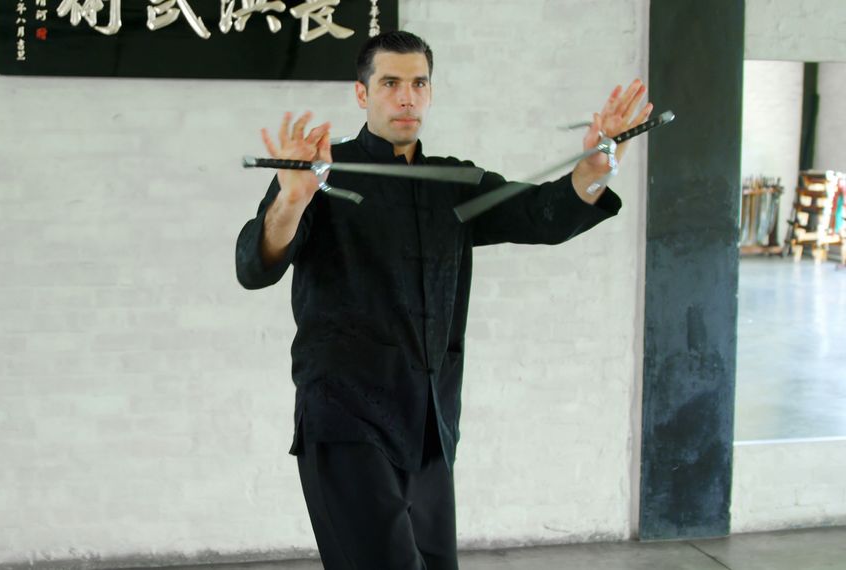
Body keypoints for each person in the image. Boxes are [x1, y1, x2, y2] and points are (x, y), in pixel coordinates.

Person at [234, 30, 652, 570]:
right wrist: (289, 200)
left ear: (430, 92)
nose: (406, 97)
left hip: (429, 419)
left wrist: (597, 166)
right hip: (345, 418)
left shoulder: (453, 182)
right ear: (362, 94)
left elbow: (544, 215)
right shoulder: (317, 172)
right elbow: (254, 265)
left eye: (418, 83)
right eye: (389, 83)